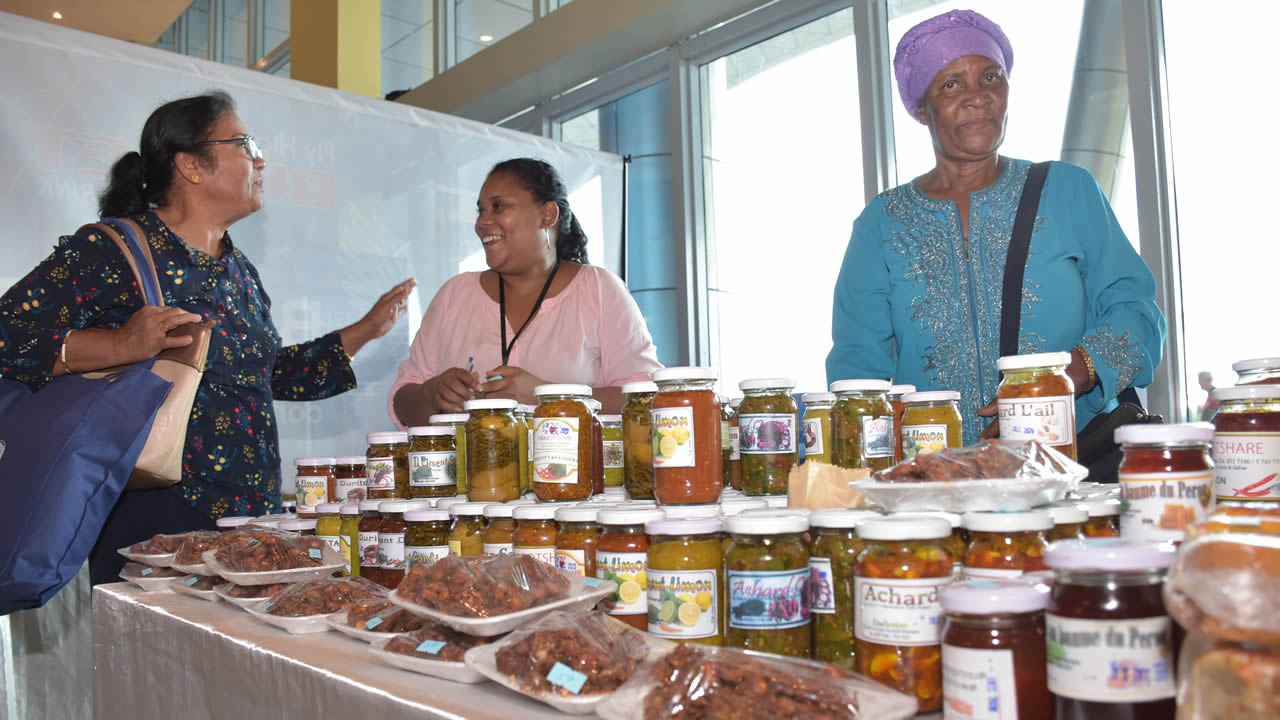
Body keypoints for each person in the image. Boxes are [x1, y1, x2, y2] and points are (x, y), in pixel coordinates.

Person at [0, 91, 415, 585]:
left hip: (250, 519)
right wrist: (118, 347)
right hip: (157, 514)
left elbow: (262, 375)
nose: (260, 158)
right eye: (244, 143)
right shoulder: (114, 249)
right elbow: (9, 334)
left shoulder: (240, 270)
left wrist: (366, 330)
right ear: (191, 165)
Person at [825, 10, 1166, 446]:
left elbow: (1137, 312)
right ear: (921, 110)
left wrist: (1066, 378)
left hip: (1071, 465)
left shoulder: (1066, 190)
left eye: (990, 78)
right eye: (951, 84)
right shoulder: (881, 224)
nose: (977, 97)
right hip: (937, 483)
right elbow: (857, 371)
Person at [389, 158, 661, 426]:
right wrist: (432, 393)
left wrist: (545, 398)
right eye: (480, 210)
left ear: (547, 215)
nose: (482, 222)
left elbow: (648, 400)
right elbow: (402, 400)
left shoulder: (600, 290)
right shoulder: (454, 295)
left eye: (498, 206)